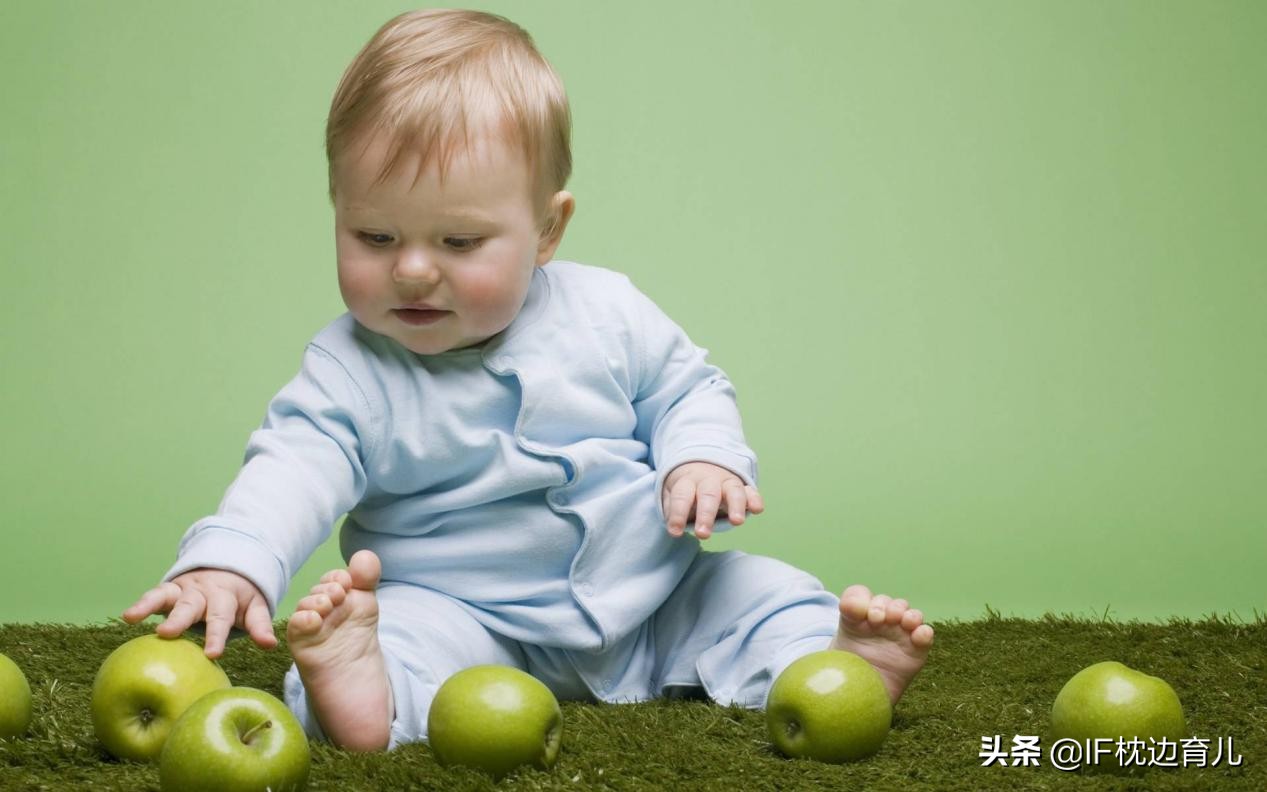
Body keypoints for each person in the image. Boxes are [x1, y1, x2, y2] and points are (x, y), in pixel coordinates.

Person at [123, 8, 933, 752]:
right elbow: (292, 466)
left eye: (458, 242)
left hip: (651, 597)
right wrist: (234, 559)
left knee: (762, 593)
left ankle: (831, 666)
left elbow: (685, 388)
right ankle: (363, 694)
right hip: (464, 621)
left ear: (546, 229)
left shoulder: (607, 311)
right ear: (337, 208)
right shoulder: (351, 372)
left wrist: (701, 457)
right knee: (386, 643)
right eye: (372, 235)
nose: (410, 270)